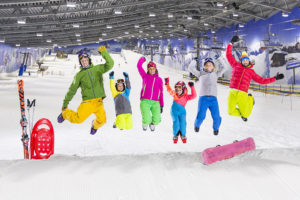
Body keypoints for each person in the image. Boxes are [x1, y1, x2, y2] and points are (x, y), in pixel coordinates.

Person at [57, 46, 114, 135]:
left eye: (86, 60)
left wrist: (104, 53)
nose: (84, 62)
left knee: (102, 121)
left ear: (89, 60)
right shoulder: (79, 75)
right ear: (81, 63)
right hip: (88, 102)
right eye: (82, 61)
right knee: (78, 119)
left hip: (99, 102)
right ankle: (65, 114)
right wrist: (65, 103)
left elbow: (110, 64)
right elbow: (72, 90)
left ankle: (94, 125)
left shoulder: (97, 69)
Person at [226, 36, 284, 121]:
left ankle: (250, 99)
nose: (245, 61)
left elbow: (262, 81)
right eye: (243, 60)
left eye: (247, 60)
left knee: (246, 114)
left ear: (249, 61)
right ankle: (242, 114)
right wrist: (231, 43)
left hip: (242, 93)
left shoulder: (251, 72)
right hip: (232, 91)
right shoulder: (235, 65)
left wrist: (275, 78)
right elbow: (228, 55)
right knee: (230, 112)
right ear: (241, 61)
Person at [189, 57, 227, 135]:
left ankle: (216, 129)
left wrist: (220, 59)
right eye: (207, 65)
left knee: (216, 117)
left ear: (213, 66)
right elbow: (190, 68)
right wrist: (194, 61)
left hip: (213, 99)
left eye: (210, 65)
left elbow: (225, 67)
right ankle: (196, 125)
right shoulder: (200, 74)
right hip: (203, 99)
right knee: (201, 116)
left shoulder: (216, 74)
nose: (208, 66)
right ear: (204, 66)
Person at [164, 78, 196, 143]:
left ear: (183, 90)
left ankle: (183, 135)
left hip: (182, 112)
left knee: (183, 123)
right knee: (176, 123)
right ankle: (175, 135)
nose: (178, 91)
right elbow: (169, 90)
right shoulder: (174, 94)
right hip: (174, 111)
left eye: (180, 90)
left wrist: (192, 87)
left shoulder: (186, 97)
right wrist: (167, 83)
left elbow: (194, 96)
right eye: (177, 89)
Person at [137, 57, 164, 131]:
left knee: (157, 119)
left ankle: (152, 124)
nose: (152, 70)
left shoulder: (159, 80)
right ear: (148, 70)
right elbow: (139, 66)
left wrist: (161, 105)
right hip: (145, 101)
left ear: (155, 69)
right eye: (150, 69)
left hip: (156, 102)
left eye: (153, 69)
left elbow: (161, 93)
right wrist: (142, 59)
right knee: (147, 118)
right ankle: (145, 123)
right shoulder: (145, 76)